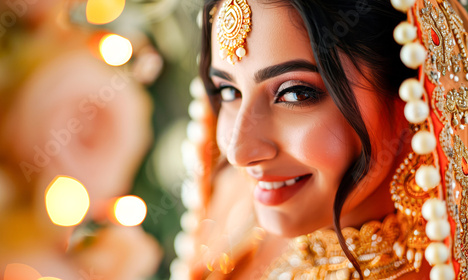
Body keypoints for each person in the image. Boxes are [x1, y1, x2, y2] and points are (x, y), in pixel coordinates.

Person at [192, 0, 468, 279]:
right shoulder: (235, 235)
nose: (238, 152)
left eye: (296, 94)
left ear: (411, 92)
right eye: (229, 91)